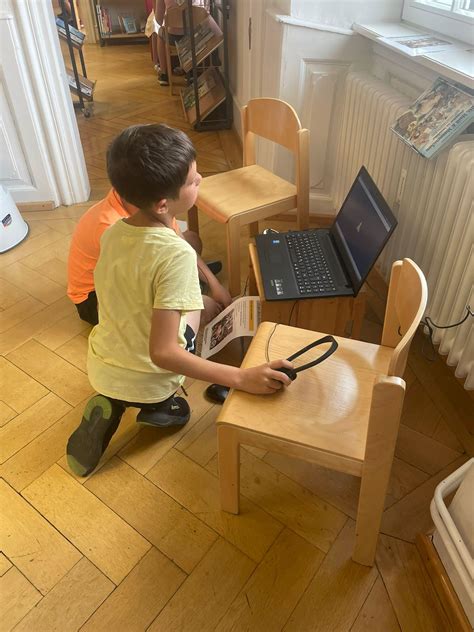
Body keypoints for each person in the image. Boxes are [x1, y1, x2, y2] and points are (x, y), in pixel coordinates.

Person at [66, 124, 294, 477]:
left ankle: (114, 399)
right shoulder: (175, 257)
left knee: (179, 305)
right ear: (163, 203)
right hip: (150, 377)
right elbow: (164, 353)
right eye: (192, 180)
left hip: (102, 364)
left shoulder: (112, 234)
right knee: (196, 317)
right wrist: (240, 377)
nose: (200, 178)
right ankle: (157, 404)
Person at [67, 183, 223, 327]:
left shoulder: (147, 201)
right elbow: (136, 288)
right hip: (96, 299)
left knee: (192, 240)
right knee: (201, 308)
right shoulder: (112, 227)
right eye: (189, 181)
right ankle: (190, 288)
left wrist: (214, 284)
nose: (199, 179)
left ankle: (191, 283)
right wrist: (192, 298)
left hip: (134, 271)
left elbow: (182, 245)